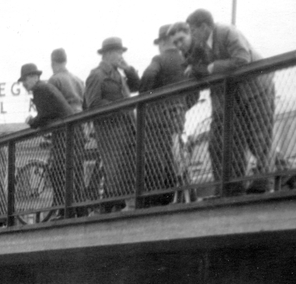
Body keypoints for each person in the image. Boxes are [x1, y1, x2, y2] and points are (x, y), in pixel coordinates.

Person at [176, 8, 274, 195]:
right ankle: (279, 174)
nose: (192, 34)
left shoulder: (227, 32)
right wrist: (194, 68)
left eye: (193, 30)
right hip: (239, 94)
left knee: (261, 134)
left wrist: (212, 67)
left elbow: (242, 59)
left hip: (258, 87)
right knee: (251, 138)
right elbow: (195, 64)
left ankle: (265, 182)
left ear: (204, 26)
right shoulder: (204, 44)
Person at [138, 24, 195, 205]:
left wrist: (144, 98)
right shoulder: (184, 59)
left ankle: (156, 201)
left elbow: (149, 75)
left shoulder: (160, 59)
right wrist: (184, 106)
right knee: (175, 155)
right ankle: (176, 196)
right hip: (178, 117)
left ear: (162, 42)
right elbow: (195, 92)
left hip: (156, 119)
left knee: (157, 159)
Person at [84, 37, 141, 207]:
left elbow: (138, 85)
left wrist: (128, 69)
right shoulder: (96, 75)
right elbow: (93, 104)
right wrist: (119, 107)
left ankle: (112, 208)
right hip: (111, 132)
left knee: (127, 171)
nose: (121, 56)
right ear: (108, 54)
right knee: (115, 172)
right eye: (118, 52)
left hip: (128, 129)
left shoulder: (119, 73)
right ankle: (110, 210)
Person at [20, 63, 78, 214]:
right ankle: (70, 210)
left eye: (25, 80)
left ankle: (64, 211)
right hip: (70, 131)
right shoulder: (45, 88)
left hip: (65, 133)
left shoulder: (39, 90)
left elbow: (43, 115)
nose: (24, 84)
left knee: (59, 171)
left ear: (33, 77)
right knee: (69, 172)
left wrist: (32, 122)